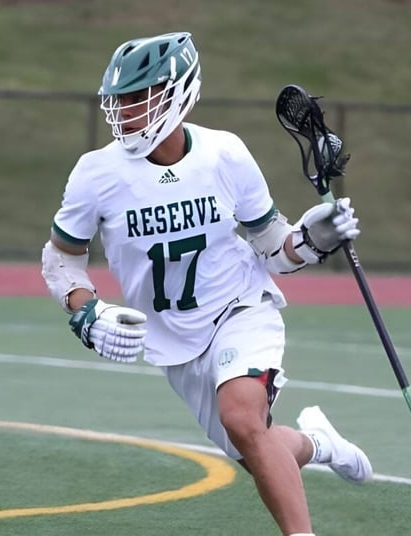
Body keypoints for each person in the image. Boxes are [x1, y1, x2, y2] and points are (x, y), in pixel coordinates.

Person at [41, 31, 372, 536]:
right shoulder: (96, 175)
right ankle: (320, 443)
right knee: (258, 449)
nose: (125, 112)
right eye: (120, 100)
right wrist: (87, 312)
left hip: (241, 307)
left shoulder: (225, 154)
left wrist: (311, 239)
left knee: (242, 418)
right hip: (175, 341)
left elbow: (273, 249)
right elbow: (61, 260)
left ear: (176, 94)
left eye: (138, 97)